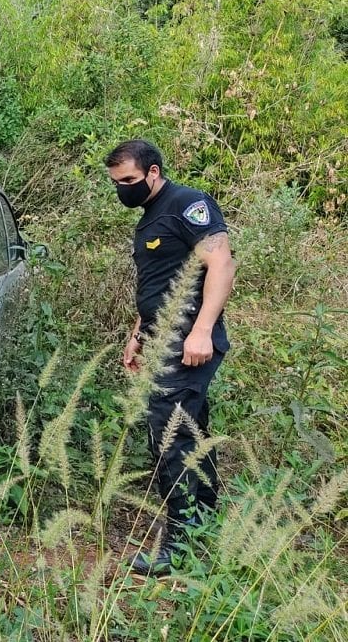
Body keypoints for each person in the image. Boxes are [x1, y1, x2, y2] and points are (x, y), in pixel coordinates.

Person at [105, 138, 237, 574]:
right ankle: (203, 525)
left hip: (188, 345)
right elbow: (158, 285)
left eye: (129, 180)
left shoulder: (188, 204)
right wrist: (138, 334)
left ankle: (178, 548)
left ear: (154, 172)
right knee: (192, 431)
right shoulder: (149, 219)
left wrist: (200, 331)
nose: (123, 189)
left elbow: (221, 265)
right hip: (160, 340)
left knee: (171, 438)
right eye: (116, 183)